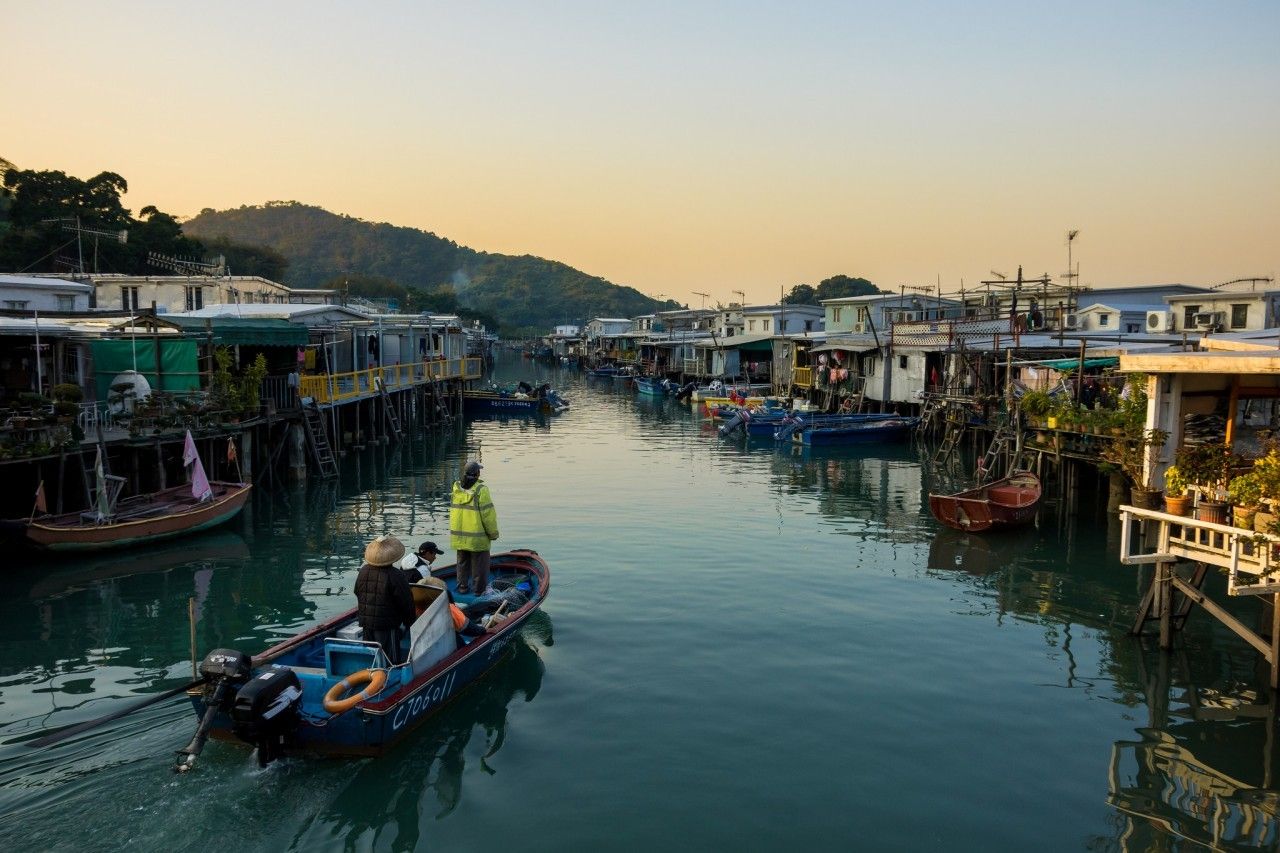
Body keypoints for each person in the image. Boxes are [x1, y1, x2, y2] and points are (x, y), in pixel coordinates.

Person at [354, 535, 416, 666]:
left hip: (366, 623)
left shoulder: (363, 571)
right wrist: (410, 623)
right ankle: (390, 681)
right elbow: (406, 603)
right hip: (387, 625)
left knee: (371, 658)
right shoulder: (396, 575)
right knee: (390, 660)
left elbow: (357, 592)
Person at [450, 461, 499, 595]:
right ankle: (479, 592)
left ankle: (462, 588)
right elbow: (488, 515)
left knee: (462, 564)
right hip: (477, 538)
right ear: (477, 474)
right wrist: (493, 533)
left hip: (459, 537)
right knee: (480, 567)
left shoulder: (456, 488)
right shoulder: (481, 490)